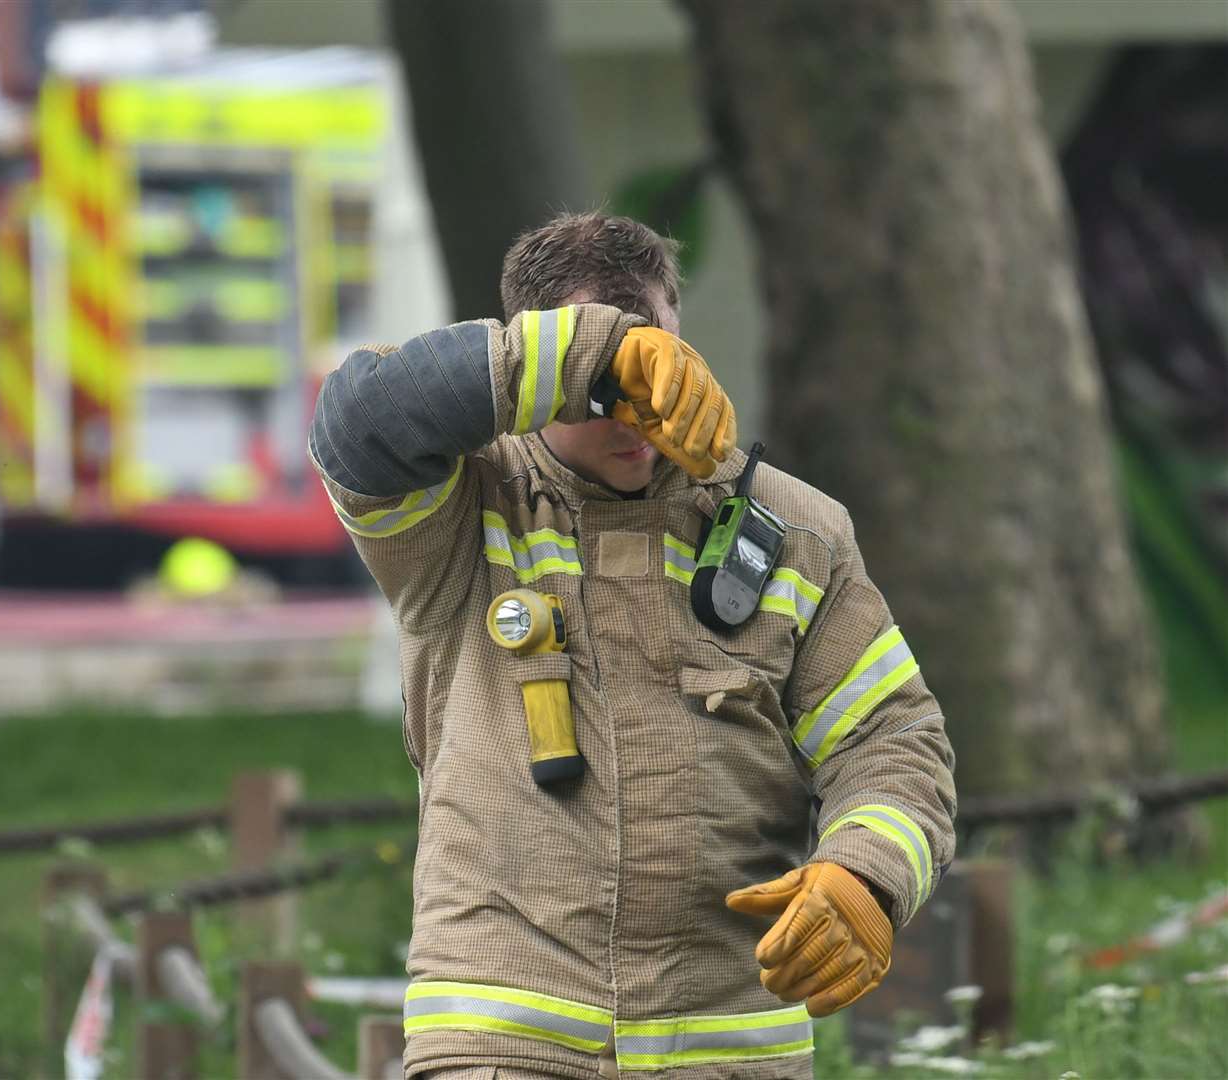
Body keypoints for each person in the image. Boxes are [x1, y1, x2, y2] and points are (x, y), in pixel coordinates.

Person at [310, 212, 956, 1080]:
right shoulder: (458, 509)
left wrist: (866, 875)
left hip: (729, 1052)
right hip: (503, 1044)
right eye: (610, 393)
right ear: (538, 368)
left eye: (659, 368)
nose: (639, 420)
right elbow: (359, 421)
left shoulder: (800, 533)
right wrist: (593, 358)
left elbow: (893, 742)